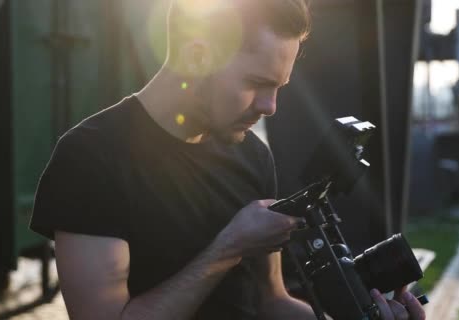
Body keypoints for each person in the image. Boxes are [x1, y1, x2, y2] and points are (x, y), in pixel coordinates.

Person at [29, 0, 426, 319]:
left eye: (280, 87)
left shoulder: (253, 155)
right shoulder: (90, 157)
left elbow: (270, 302)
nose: (270, 107)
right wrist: (227, 248)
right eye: (257, 84)